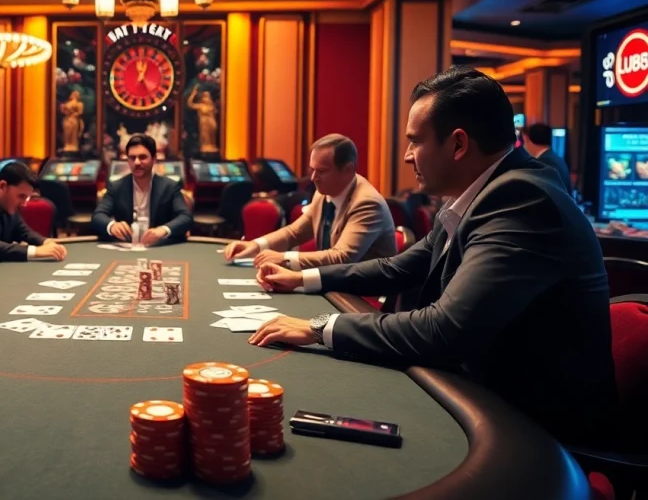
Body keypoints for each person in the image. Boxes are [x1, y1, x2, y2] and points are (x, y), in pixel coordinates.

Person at [249, 66, 616, 446]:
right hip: (481, 394)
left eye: (415, 141)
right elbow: (398, 268)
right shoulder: (473, 196)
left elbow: (445, 329)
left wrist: (318, 327)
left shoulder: (522, 200)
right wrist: (303, 279)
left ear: (458, 145)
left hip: (537, 433)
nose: (407, 156)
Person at [223, 134, 396, 269]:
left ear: (348, 170)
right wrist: (254, 246)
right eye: (312, 170)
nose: (313, 178)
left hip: (365, 297)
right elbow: (294, 233)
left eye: (321, 171)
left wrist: (285, 259)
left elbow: (341, 258)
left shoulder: (367, 203)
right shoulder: (323, 193)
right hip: (336, 284)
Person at [93, 133, 193, 246]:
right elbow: (98, 216)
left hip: (159, 248)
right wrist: (111, 226)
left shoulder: (170, 186)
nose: (136, 162)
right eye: (132, 158)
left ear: (154, 159)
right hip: (127, 248)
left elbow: (186, 217)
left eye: (142, 157)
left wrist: (163, 230)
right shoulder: (116, 187)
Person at [523, 123, 571, 193]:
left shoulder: (543, 163)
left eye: (524, 142)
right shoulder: (555, 158)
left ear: (530, 141)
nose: (524, 146)